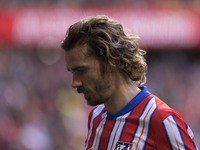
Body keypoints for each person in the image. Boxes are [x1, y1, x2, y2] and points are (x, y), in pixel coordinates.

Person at [61, 15, 198, 150]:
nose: (75, 83)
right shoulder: (95, 118)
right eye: (72, 72)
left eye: (81, 71)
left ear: (111, 61)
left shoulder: (161, 119)